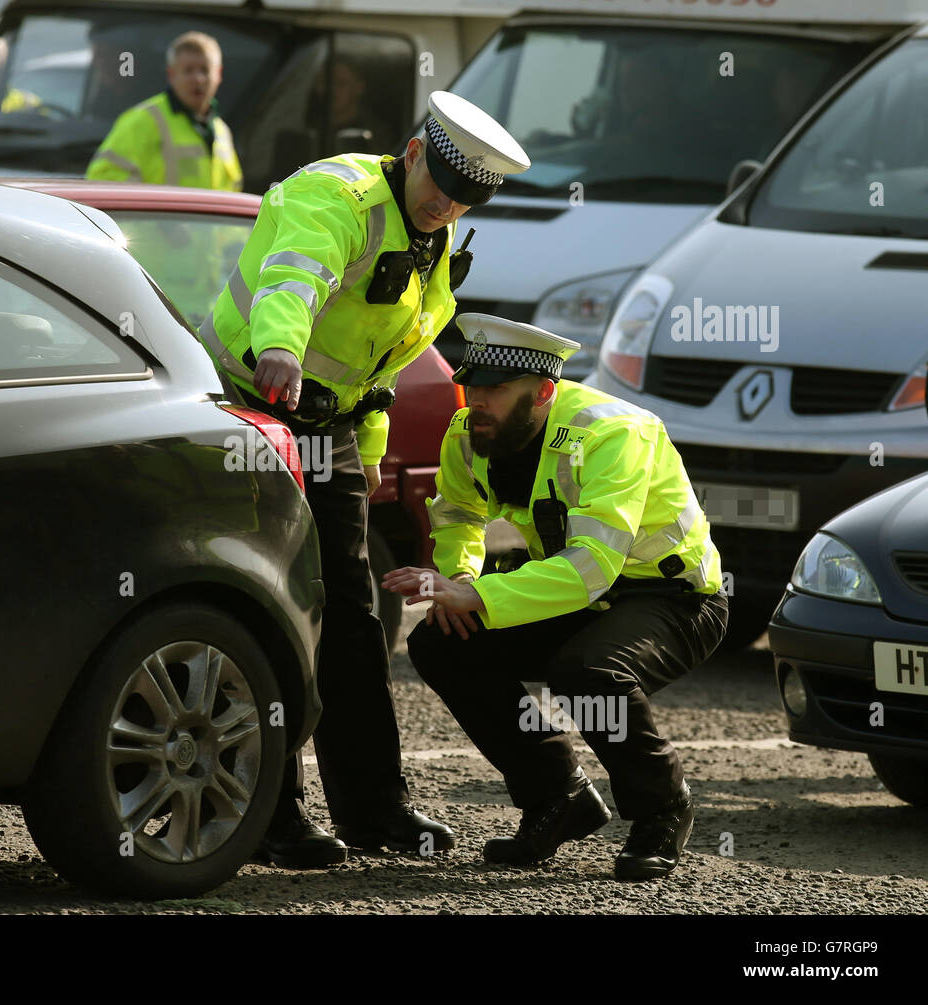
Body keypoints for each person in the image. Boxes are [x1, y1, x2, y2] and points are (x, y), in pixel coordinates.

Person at [197, 91, 531, 867]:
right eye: (441, 182)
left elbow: (377, 362)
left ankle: (376, 808)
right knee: (271, 612)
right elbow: (298, 269)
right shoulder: (339, 194)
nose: (447, 203)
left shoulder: (433, 238)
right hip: (252, 411)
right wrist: (281, 341)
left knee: (351, 621)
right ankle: (270, 811)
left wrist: (369, 450)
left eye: (466, 197)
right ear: (414, 152)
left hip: (332, 429)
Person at [383, 316, 729, 880]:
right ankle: (557, 797)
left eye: (496, 391)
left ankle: (661, 810)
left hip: (673, 598)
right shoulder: (471, 432)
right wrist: (459, 584)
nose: (479, 404)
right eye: (473, 388)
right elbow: (456, 516)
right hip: (576, 589)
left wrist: (479, 595)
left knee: (589, 671)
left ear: (544, 391)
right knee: (442, 643)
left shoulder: (615, 433)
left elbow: (595, 564)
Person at [86, 31, 242, 191]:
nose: (198, 79)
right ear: (171, 74)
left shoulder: (221, 131)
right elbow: (101, 180)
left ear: (219, 74)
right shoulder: (142, 120)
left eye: (205, 70)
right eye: (188, 70)